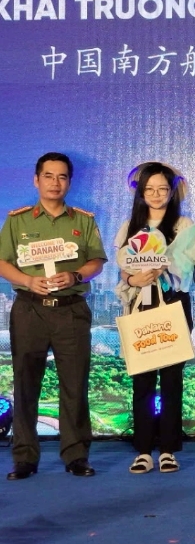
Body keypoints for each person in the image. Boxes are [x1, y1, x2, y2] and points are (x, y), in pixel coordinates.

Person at [0, 152, 107, 480]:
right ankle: (25, 458)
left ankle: (76, 455)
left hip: (70, 312)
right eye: (48, 176)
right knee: (25, 383)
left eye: (62, 177)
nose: (55, 182)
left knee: (75, 385)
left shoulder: (83, 220)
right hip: (29, 309)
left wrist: (75, 276)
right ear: (36, 180)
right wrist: (27, 279)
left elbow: (97, 262)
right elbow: (2, 262)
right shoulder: (18, 220)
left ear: (69, 182)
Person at [114, 162, 193, 474]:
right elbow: (122, 269)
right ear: (140, 192)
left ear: (172, 191)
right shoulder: (129, 226)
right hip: (139, 308)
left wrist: (164, 267)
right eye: (150, 189)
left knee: (172, 382)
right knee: (142, 382)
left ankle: (169, 449)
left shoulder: (183, 225)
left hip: (172, 305)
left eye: (163, 188)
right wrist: (135, 280)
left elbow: (188, 269)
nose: (157, 194)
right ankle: (144, 450)